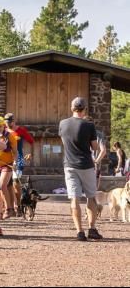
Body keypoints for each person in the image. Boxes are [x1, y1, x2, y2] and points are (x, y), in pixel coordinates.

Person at [58, 97, 105, 241]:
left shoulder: (63, 123)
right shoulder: (88, 125)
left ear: (72, 108)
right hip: (86, 165)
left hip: (69, 165)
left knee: (74, 198)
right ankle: (92, 229)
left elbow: (64, 142)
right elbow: (95, 147)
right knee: (91, 197)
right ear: (84, 109)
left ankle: (79, 231)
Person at [0, 116, 19, 219]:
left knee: (2, 186)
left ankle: (9, 209)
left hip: (7, 165)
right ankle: (0, 210)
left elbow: (15, 152)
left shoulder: (10, 136)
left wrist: (16, 162)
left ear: (4, 126)